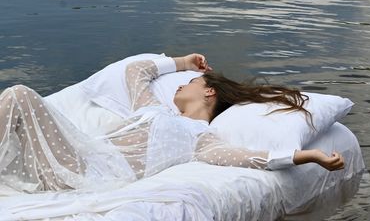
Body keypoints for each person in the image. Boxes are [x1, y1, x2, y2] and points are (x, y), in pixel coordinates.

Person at [0, 53, 344, 194]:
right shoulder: (152, 109)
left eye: (190, 79)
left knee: (19, 94)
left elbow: (254, 158)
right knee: (17, 98)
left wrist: (309, 156)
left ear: (208, 92)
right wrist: (184, 61)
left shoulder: (203, 140)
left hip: (85, 173)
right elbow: (138, 71)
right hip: (76, 155)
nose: (181, 83)